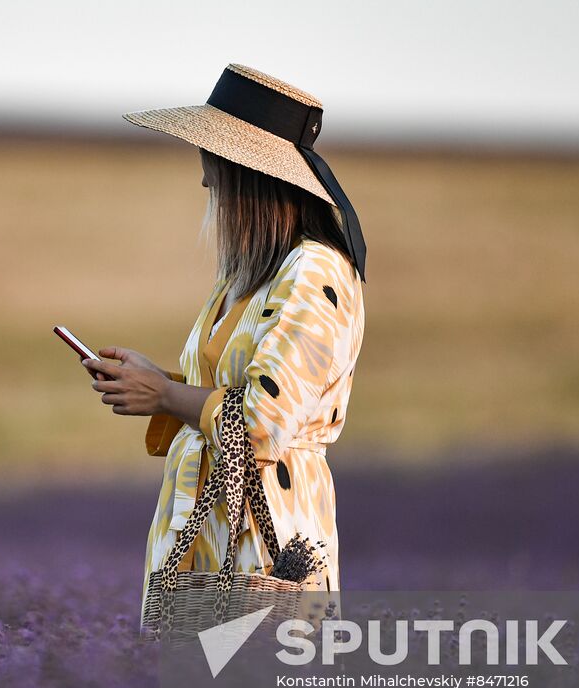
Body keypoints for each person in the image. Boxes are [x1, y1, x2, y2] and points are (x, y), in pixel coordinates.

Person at [80, 63, 368, 631]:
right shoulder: (251, 275)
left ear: (247, 172)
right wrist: (157, 381)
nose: (205, 179)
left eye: (212, 159)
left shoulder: (314, 272)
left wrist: (165, 394)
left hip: (265, 547)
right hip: (208, 542)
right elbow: (231, 394)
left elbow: (263, 420)